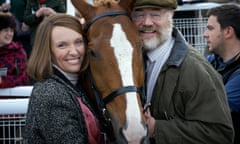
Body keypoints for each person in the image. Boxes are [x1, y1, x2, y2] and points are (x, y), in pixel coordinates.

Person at [131, 0, 234, 143]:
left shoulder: (195, 69)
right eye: (139, 15)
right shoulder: (130, 63)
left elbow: (219, 134)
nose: (147, 22)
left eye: (155, 14)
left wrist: (156, 128)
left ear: (171, 15)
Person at [23, 13, 105, 144]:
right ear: (47, 50)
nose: (73, 52)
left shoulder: (77, 85)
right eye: (62, 45)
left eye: (78, 42)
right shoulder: (50, 93)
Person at [204, 4, 240, 144]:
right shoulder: (212, 61)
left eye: (210, 28)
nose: (205, 34)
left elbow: (214, 109)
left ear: (228, 31)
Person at [0, 12, 29, 88]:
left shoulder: (19, 52)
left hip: (12, 98)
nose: (9, 34)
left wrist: (3, 81)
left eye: (11, 31)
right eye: (6, 30)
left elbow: (24, 79)